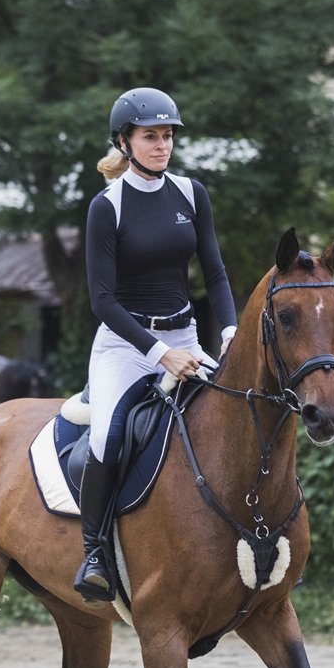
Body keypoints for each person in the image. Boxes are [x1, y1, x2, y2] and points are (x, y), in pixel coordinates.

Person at [74, 87, 238, 602]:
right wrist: (158, 353)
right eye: (151, 137)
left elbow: (214, 272)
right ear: (124, 141)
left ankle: (255, 541)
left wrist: (229, 332)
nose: (162, 146)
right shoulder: (108, 207)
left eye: (167, 136)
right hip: (127, 347)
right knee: (109, 437)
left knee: (243, 415)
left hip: (187, 336)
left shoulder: (191, 193)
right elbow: (101, 301)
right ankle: (96, 552)